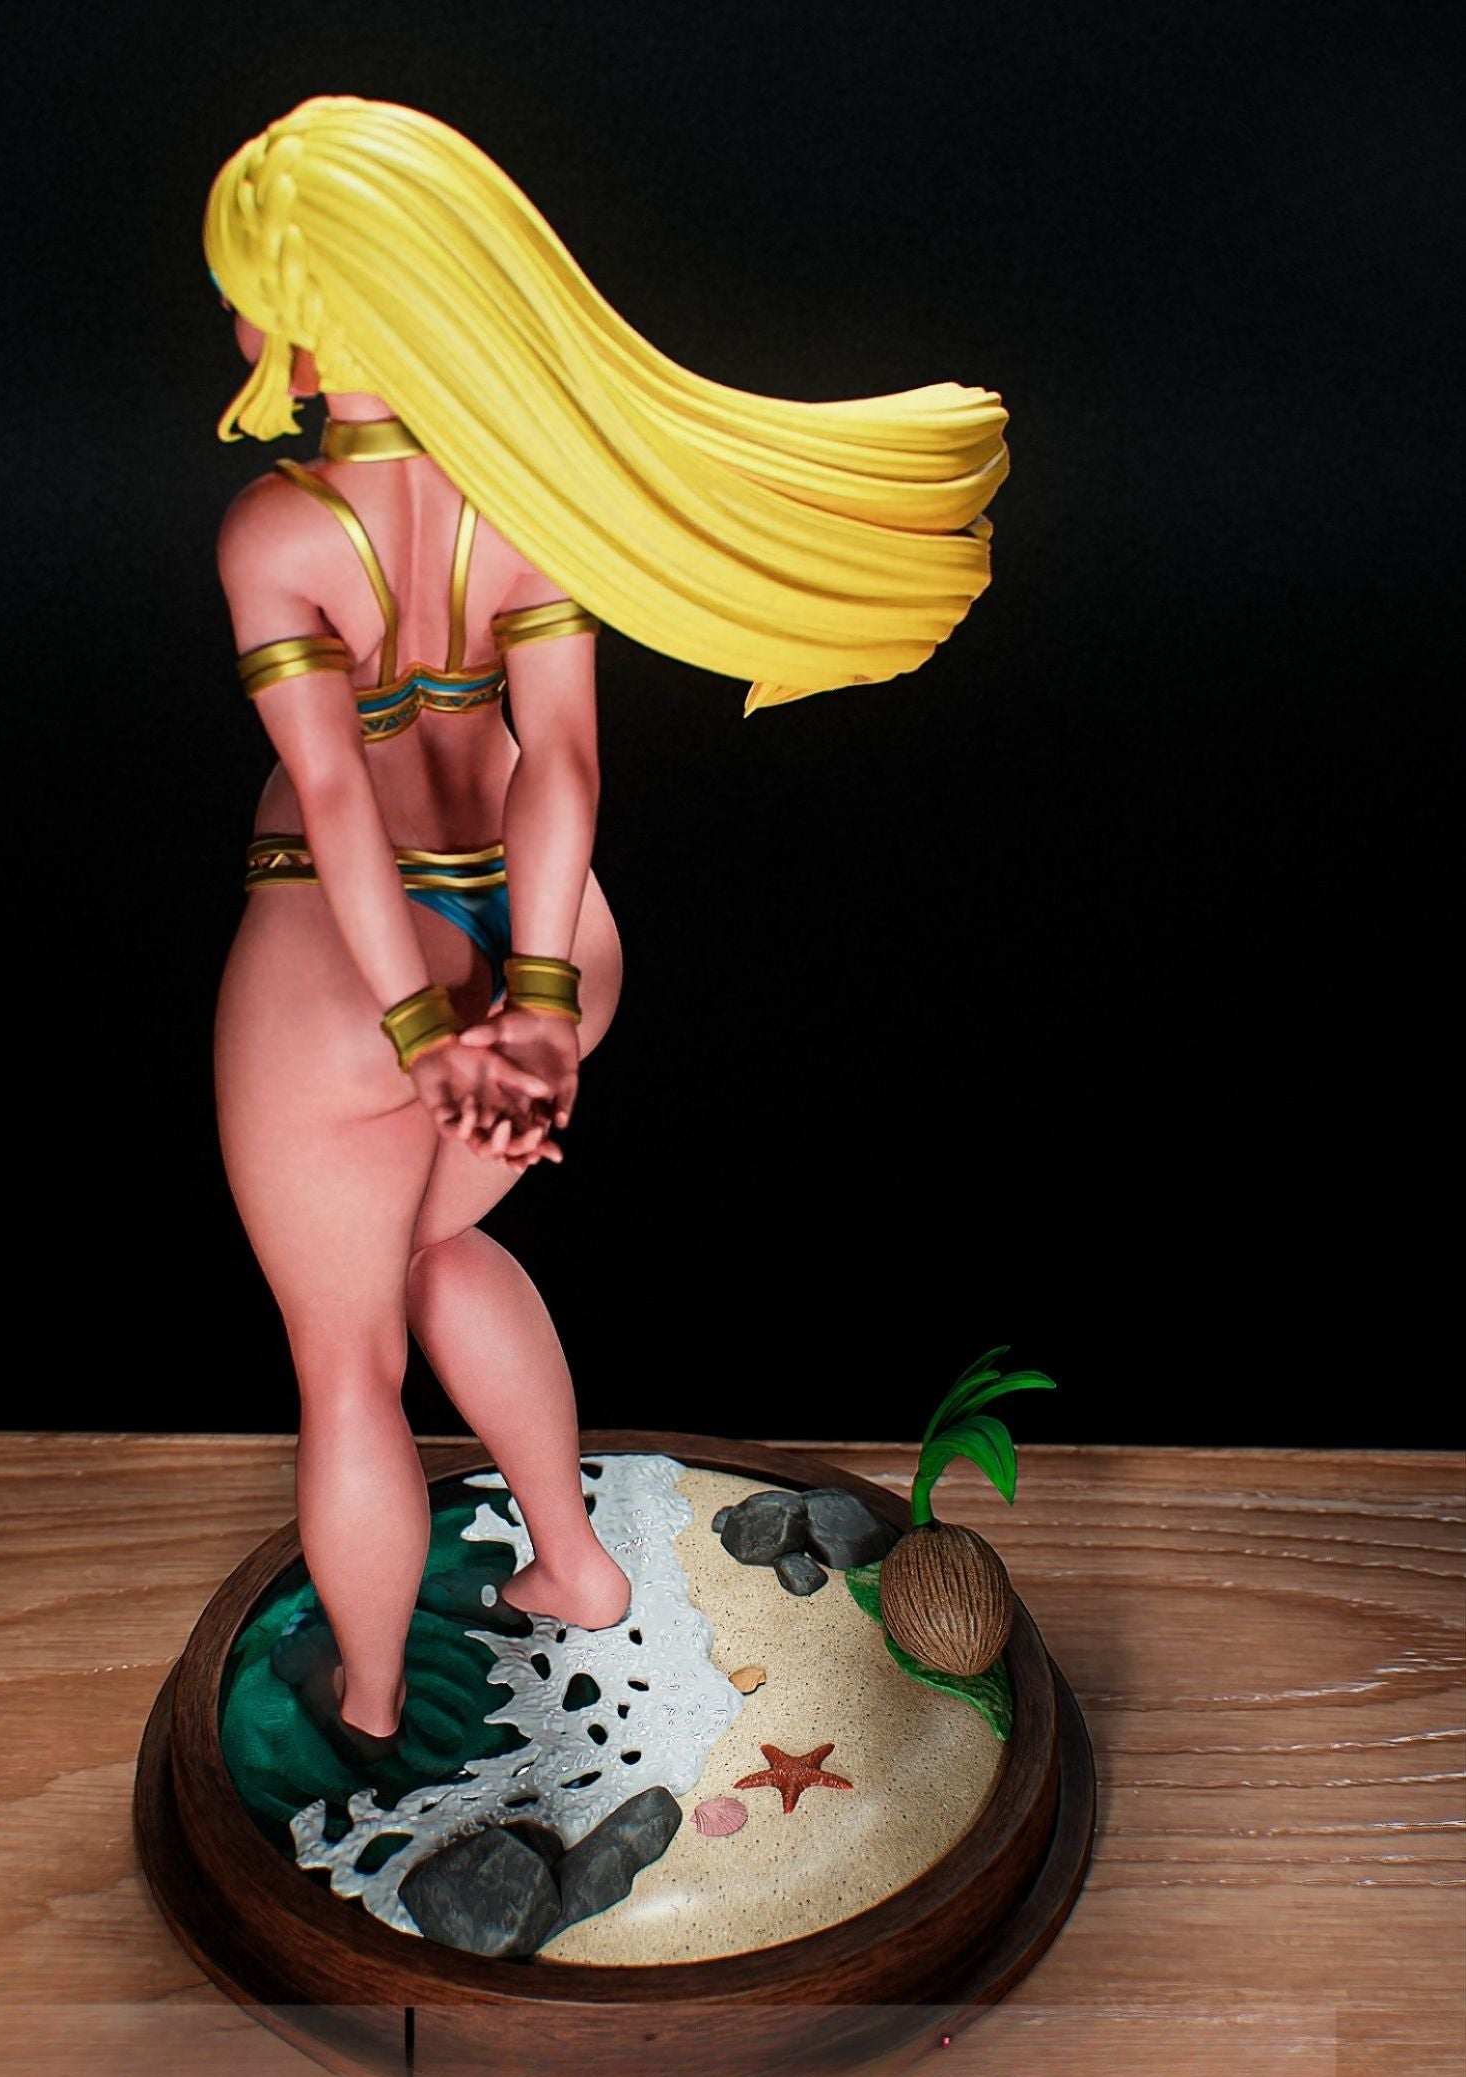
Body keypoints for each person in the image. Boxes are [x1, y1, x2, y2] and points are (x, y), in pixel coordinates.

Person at [204, 96, 1010, 1760]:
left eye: (252, 288)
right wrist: (545, 1002)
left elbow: (338, 795)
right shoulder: (523, 503)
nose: (236, 321)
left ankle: (369, 1713)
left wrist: (424, 1033)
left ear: (318, 314)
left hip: (341, 977)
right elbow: (561, 757)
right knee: (433, 1251)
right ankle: (571, 1566)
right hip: (554, 922)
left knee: (346, 1363)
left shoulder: (279, 532)